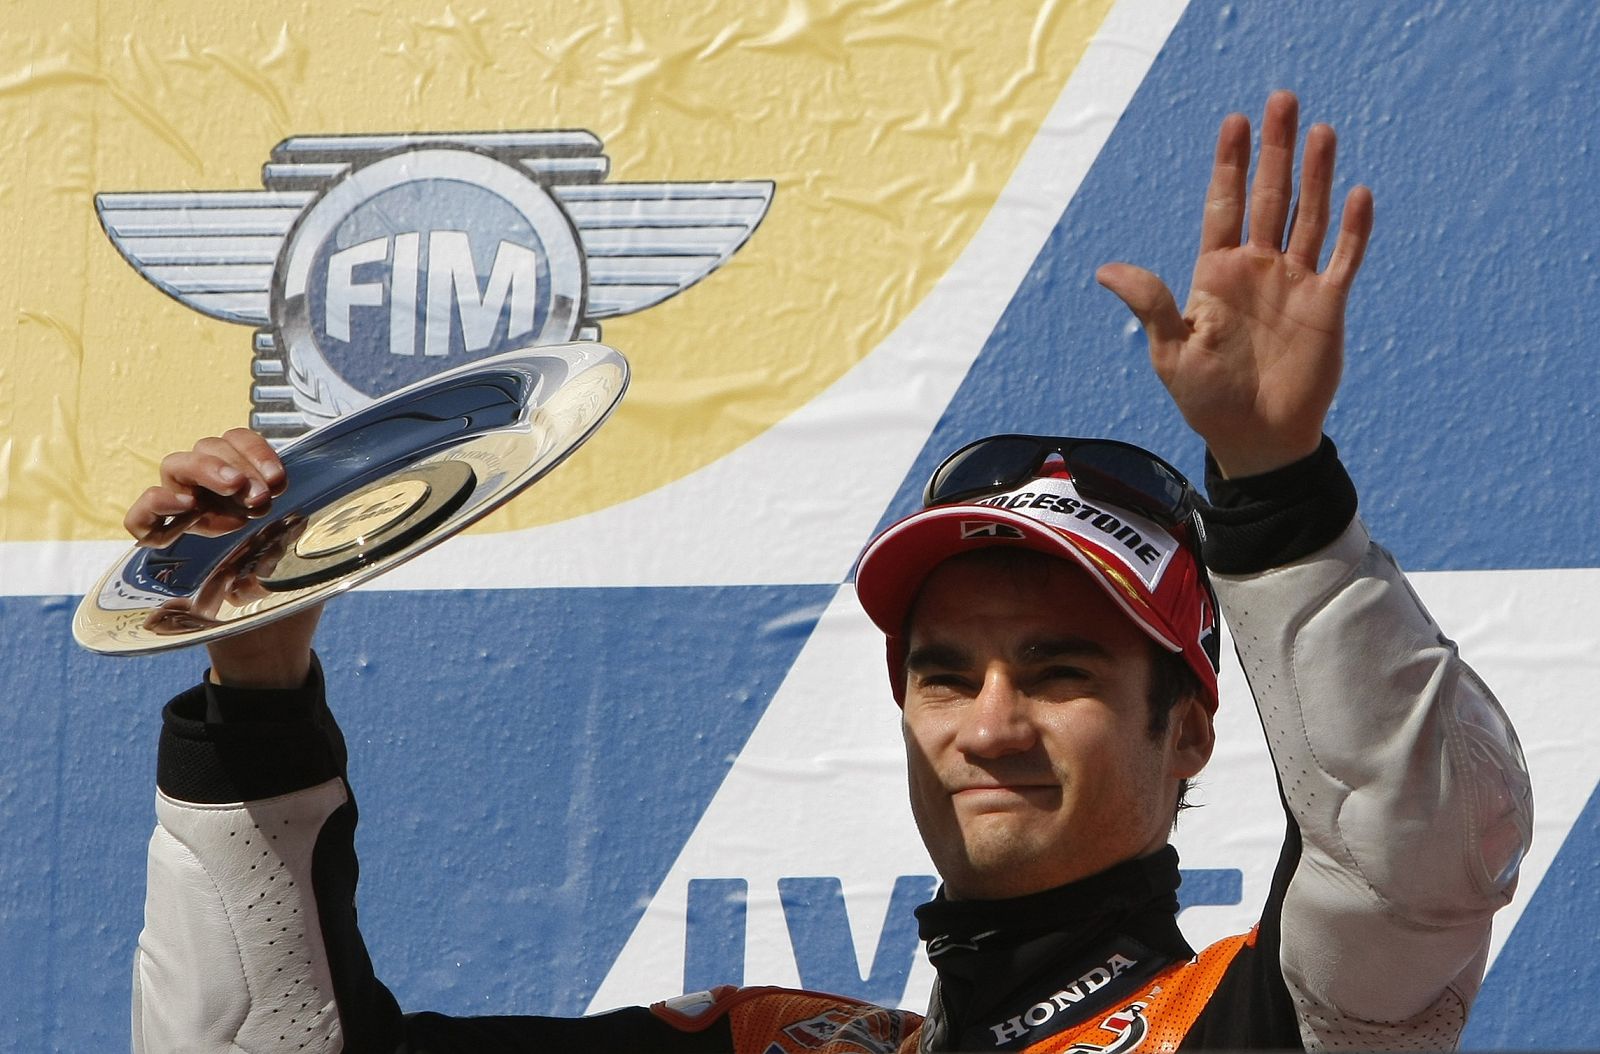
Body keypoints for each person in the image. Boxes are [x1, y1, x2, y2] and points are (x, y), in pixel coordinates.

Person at [126, 92, 1531, 1052]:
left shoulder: (1270, 1020)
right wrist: (255, 678)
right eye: (945, 670)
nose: (988, 722)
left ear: (1192, 730)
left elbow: (1422, 856)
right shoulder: (765, 1039)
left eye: (1060, 671)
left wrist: (1278, 488)